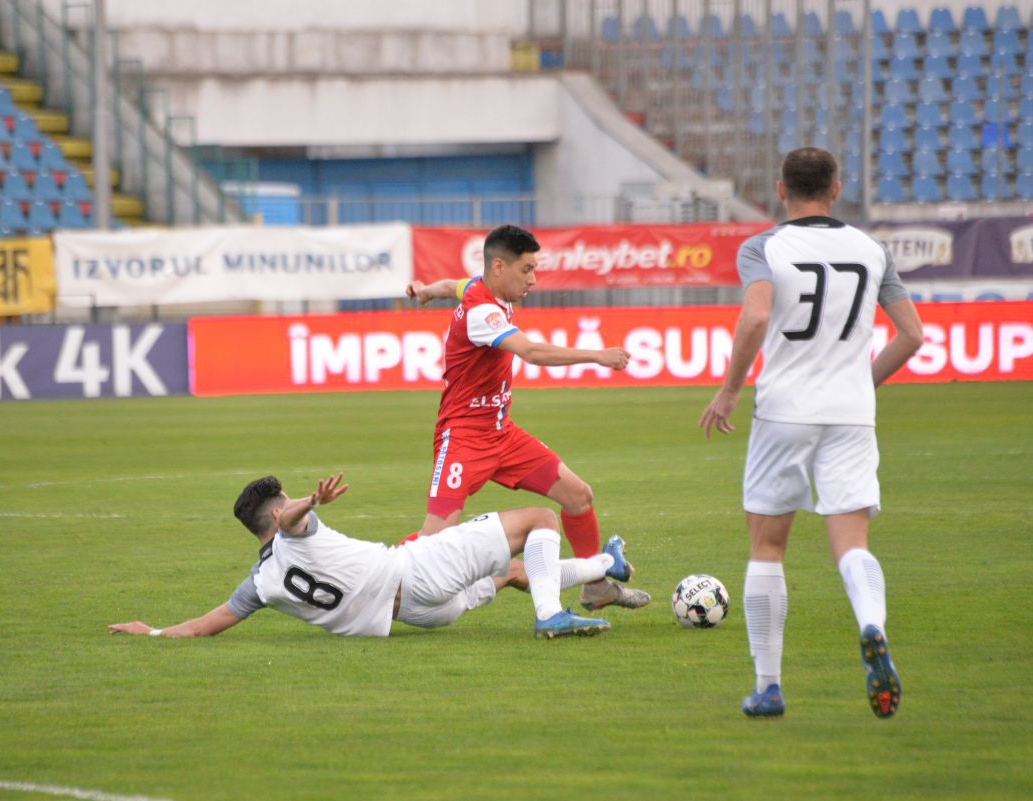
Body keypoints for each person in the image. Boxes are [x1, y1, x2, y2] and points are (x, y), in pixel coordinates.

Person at [699, 147, 924, 719]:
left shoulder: (766, 246)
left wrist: (728, 391)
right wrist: (862, 382)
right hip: (850, 412)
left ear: (780, 189)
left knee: (767, 545)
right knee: (852, 542)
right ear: (837, 188)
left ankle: (768, 686)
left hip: (785, 411)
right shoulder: (871, 250)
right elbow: (912, 335)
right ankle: (871, 624)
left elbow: (754, 317)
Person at [404, 224, 651, 613]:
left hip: (501, 434)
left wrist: (425, 291)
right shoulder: (482, 312)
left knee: (578, 496)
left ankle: (596, 587)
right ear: (499, 267)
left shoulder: (477, 287)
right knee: (434, 542)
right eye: (527, 270)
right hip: (464, 439)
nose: (533, 280)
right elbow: (532, 352)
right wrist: (597, 356)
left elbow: (453, 285)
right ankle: (370, 580)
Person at [109, 472, 636, 640]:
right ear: (276, 516)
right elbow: (291, 520)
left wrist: (153, 633)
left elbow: (206, 624)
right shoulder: (296, 530)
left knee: (518, 571)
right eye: (286, 502)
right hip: (418, 570)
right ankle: (550, 617)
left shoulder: (260, 584)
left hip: (420, 615)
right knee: (541, 520)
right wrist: (308, 502)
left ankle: (605, 567)